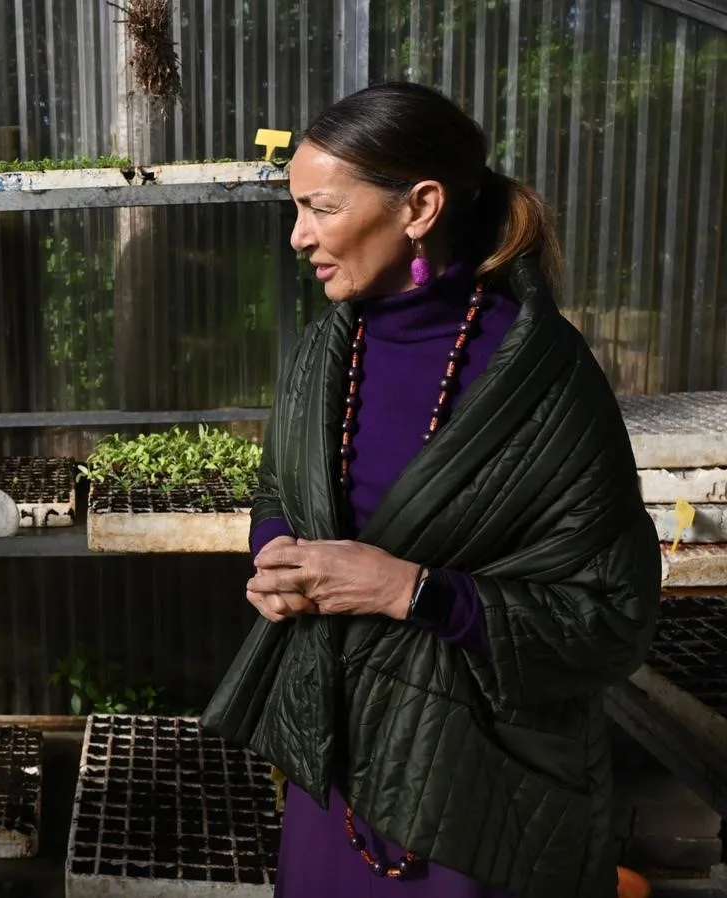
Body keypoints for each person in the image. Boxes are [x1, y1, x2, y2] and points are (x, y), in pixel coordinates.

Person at [203, 82, 661, 898]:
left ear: (419, 207)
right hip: (336, 764)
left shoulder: (540, 380)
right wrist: (276, 551)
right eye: (297, 208)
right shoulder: (322, 353)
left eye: (322, 208)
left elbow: (610, 620)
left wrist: (411, 591)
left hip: (478, 797)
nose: (299, 236)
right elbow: (281, 490)